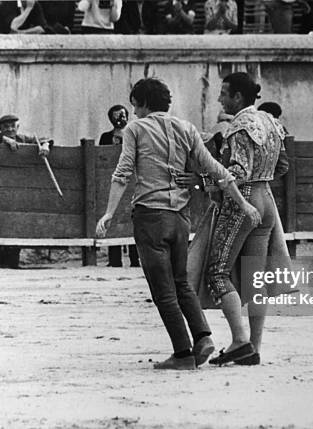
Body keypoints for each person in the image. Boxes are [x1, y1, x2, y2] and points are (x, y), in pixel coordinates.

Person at [96, 78, 261, 370]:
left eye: (135, 105)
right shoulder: (186, 128)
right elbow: (217, 170)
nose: (133, 112)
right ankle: (203, 337)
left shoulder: (136, 129)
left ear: (144, 103)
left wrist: (109, 213)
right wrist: (243, 202)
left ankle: (183, 354)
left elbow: (122, 173)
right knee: (181, 282)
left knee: (163, 290)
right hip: (181, 218)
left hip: (151, 216)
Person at [203, 73, 286, 366]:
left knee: (217, 272)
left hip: (244, 201)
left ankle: (240, 341)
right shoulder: (272, 123)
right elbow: (283, 165)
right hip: (266, 200)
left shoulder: (239, 127)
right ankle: (255, 347)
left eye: (224, 93)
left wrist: (208, 180)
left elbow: (237, 172)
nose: (220, 98)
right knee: (255, 275)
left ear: (238, 97)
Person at [0, 114, 52, 269]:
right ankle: (1, 262)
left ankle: (13, 263)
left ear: (17, 127)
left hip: (20, 189)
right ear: (0, 128)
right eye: (6, 127)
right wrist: (6, 140)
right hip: (0, 188)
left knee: (16, 225)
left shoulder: (24, 139)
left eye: (12, 126)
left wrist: (45, 145)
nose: (9, 129)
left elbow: (44, 139)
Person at [98, 105, 140, 268]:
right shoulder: (106, 137)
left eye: (122, 115)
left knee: (132, 220)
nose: (120, 119)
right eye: (116, 116)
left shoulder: (135, 133)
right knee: (113, 218)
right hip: (113, 181)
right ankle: (114, 259)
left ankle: (135, 259)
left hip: (133, 181)